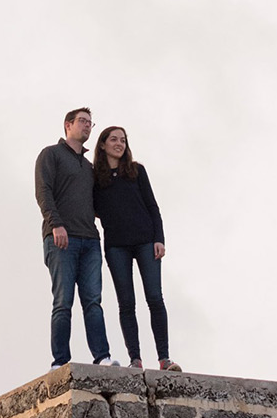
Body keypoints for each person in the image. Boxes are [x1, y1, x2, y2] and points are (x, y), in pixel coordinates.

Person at [92, 124, 181, 371]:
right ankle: (136, 359)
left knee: (154, 297)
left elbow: (153, 207)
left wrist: (159, 238)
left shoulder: (136, 171)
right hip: (116, 246)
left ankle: (164, 359)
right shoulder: (95, 179)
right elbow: (95, 209)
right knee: (126, 303)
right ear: (103, 144)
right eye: (114, 139)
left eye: (123, 140)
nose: (119, 144)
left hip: (145, 241)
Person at [34, 106, 114, 370]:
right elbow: (43, 191)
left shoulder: (90, 167)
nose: (88, 126)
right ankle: (60, 362)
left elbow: (101, 205)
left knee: (93, 302)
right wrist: (56, 224)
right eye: (82, 121)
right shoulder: (51, 155)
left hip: (90, 240)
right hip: (61, 239)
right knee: (63, 301)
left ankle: (102, 357)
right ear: (68, 125)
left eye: (91, 123)